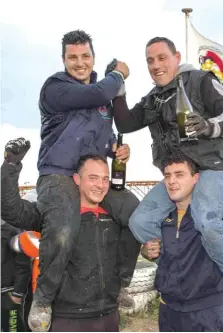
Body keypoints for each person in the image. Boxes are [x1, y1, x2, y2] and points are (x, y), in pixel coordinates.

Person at [110, 36, 223, 279]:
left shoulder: (200, 80)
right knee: (140, 222)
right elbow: (125, 122)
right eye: (150, 61)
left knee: (207, 221)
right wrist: (117, 84)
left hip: (210, 168)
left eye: (162, 58)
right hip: (176, 176)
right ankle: (178, 264)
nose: (156, 65)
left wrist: (207, 125)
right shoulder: (153, 98)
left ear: (177, 58)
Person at [141, 101, 223, 332]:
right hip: (168, 312)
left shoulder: (219, 210)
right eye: (167, 175)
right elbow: (160, 251)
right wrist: (148, 251)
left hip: (206, 315)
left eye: (179, 174)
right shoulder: (160, 213)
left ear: (196, 178)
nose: (172, 180)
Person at [33, 29, 131, 330]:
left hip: (92, 178)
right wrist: (119, 75)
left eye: (85, 56)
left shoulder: (102, 101)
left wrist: (117, 149)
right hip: (59, 176)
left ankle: (123, 283)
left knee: (138, 216)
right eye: (72, 57)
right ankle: (43, 298)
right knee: (64, 228)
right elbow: (101, 92)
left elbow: (104, 134)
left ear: (93, 57)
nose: (79, 63)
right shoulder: (56, 88)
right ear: (63, 60)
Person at [1, 139, 141, 332]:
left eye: (104, 178)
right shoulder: (56, 213)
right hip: (67, 319)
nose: (100, 185)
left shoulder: (117, 215)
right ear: (76, 179)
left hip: (108, 315)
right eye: (93, 178)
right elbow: (12, 211)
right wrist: (10, 165)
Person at [1, 219, 32, 332]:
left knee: (12, 329)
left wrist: (17, 294)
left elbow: (23, 265)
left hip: (7, 294)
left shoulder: (13, 232)